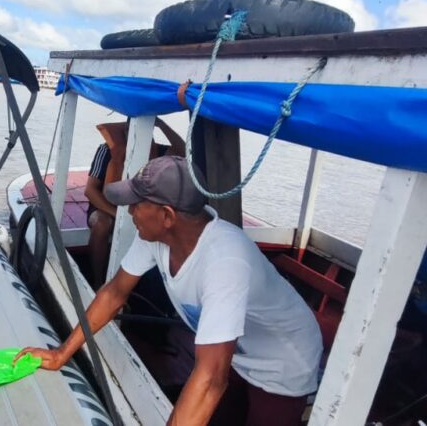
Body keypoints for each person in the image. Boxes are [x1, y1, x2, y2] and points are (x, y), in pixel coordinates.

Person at [18, 156, 323, 426]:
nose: (129, 211)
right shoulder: (155, 237)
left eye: (137, 204)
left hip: (283, 358)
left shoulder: (224, 261)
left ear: (167, 216)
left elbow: (210, 379)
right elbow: (114, 293)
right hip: (239, 350)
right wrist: (61, 354)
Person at [85, 117, 184, 288]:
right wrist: (117, 214)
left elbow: (183, 150)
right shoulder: (107, 150)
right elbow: (90, 190)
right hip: (106, 208)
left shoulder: (157, 152)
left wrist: (162, 124)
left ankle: (155, 287)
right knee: (102, 223)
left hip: (139, 209)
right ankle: (96, 281)